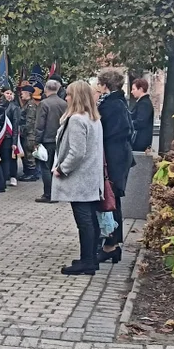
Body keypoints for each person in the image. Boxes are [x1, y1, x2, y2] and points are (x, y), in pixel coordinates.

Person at [51, 81, 105, 276]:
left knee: (84, 222)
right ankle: (90, 258)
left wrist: (61, 169)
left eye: (69, 94)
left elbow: (76, 152)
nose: (66, 98)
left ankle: (87, 261)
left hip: (79, 178)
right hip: (91, 176)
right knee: (90, 219)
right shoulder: (93, 119)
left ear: (77, 97)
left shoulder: (76, 120)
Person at [97, 69, 134, 261]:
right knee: (112, 200)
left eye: (99, 83)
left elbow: (115, 132)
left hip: (114, 159)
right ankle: (111, 244)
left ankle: (111, 244)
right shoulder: (116, 102)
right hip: (118, 157)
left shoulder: (111, 104)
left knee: (111, 200)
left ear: (105, 85)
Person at [34, 80, 67, 204]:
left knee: (46, 167)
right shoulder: (64, 103)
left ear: (46, 89)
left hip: (47, 140)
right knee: (57, 166)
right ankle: (58, 192)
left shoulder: (44, 104)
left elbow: (40, 124)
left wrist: (36, 140)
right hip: (60, 139)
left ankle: (48, 194)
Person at [19, 85, 41, 181]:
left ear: (29, 93)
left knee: (29, 154)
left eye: (23, 92)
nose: (21, 94)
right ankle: (27, 172)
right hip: (27, 134)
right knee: (26, 154)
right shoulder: (27, 104)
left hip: (29, 134)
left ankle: (32, 174)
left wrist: (22, 130)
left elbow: (30, 121)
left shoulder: (31, 105)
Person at [130, 78, 154, 152]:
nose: (131, 92)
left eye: (133, 89)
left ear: (140, 89)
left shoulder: (144, 104)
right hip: (140, 140)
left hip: (139, 141)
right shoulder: (143, 102)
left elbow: (140, 122)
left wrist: (128, 123)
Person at [4, 88, 22, 187]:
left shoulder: (15, 107)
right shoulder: (1, 106)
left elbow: (15, 125)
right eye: (7, 93)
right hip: (0, 136)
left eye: (11, 93)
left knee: (12, 157)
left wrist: (14, 141)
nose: (9, 95)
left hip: (10, 135)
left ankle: (13, 176)